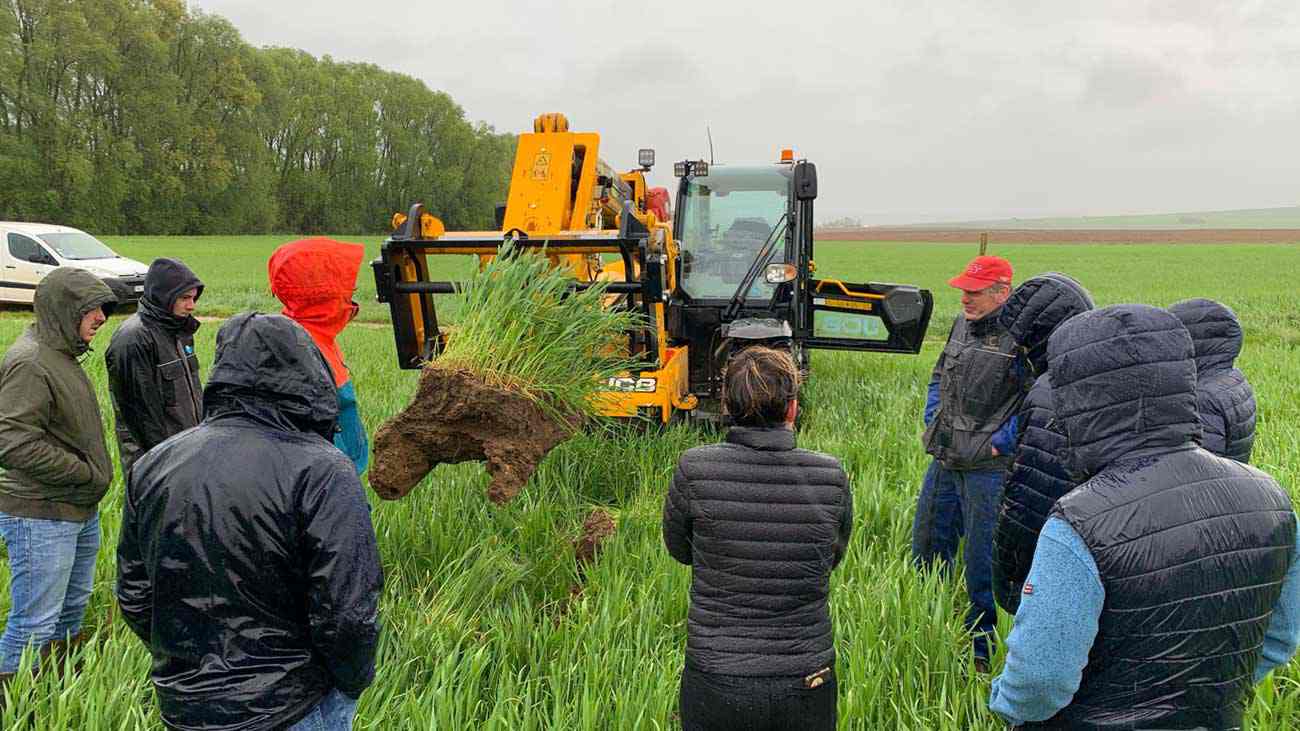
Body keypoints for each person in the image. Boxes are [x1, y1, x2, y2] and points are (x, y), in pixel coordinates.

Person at [990, 304, 1300, 729]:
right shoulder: (1271, 497)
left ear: (1082, 400)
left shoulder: (1080, 520)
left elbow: (1041, 681)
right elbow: (1279, 638)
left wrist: (1005, 705)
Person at [116, 313, 383, 731]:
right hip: (295, 705)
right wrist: (349, 682)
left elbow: (135, 594)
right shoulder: (323, 469)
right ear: (306, 371)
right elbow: (347, 610)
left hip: (185, 705)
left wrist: (191, 666)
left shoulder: (154, 464)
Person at [663, 347, 852, 731]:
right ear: (792, 409)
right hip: (806, 674)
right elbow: (830, 557)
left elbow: (680, 550)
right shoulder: (830, 476)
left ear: (726, 405)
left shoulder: (694, 469)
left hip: (717, 675)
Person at [0, 268, 116, 683]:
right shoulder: (30, 362)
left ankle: (55, 689)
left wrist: (86, 484)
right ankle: (15, 707)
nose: (102, 316)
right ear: (65, 311)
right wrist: (84, 474)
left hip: (77, 508)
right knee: (33, 622)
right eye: (93, 309)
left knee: (70, 610)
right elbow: (11, 441)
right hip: (40, 512)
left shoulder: (61, 354)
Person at [913, 254, 1021, 670]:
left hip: (987, 471)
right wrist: (933, 417)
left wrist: (1001, 444)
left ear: (1002, 293)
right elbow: (940, 375)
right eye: (963, 290)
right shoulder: (962, 323)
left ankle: (982, 652)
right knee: (927, 545)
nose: (965, 298)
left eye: (974, 292)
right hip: (945, 455)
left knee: (982, 564)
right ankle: (929, 630)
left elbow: (1037, 400)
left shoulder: (1022, 335)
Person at [989, 273, 1094, 614]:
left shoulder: (1051, 391)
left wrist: (1011, 580)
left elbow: (1031, 495)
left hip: (1056, 564)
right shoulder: (1110, 372)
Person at [269, 238, 369, 474]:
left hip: (337, 475)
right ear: (323, 296)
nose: (352, 296)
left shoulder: (315, 336)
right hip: (323, 487)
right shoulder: (297, 352)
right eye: (347, 289)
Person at [105, 258, 205, 474]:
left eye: (194, 298)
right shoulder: (133, 339)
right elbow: (141, 418)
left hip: (187, 453)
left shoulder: (180, 331)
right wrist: (163, 465)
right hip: (156, 462)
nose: (192, 305)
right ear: (164, 296)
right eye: (185, 298)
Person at [1169, 297, 1257, 463]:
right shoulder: (1232, 377)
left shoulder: (1203, 397)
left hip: (1214, 486)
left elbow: (1202, 465)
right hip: (1233, 477)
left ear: (1190, 339)